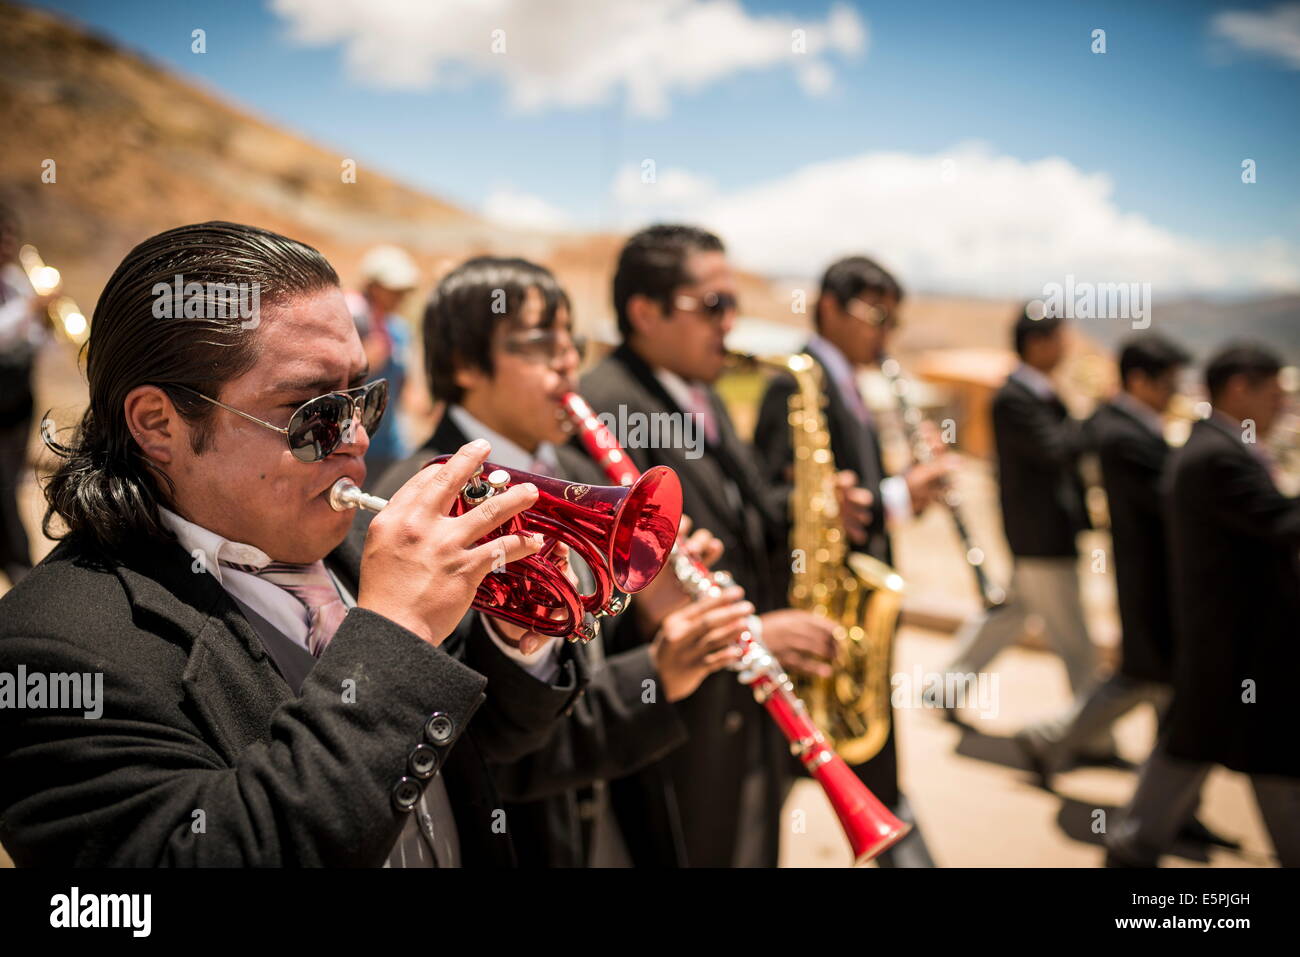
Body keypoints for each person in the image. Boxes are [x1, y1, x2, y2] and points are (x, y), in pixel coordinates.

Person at [0, 221, 594, 867]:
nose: (356, 438)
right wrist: (397, 634)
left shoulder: (364, 541)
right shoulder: (49, 651)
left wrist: (516, 641)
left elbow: (488, 741)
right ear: (157, 423)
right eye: (313, 412)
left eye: (362, 400)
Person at [368, 255, 750, 866]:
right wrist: (654, 676)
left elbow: (597, 636)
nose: (569, 362)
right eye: (540, 344)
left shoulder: (579, 473)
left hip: (614, 809)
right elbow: (481, 728)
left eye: (572, 342)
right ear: (465, 364)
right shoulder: (412, 504)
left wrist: (656, 604)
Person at [581, 224, 838, 867]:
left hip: (737, 697)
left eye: (733, 304)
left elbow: (733, 510)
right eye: (714, 305)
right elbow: (628, 582)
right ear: (646, 311)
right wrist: (756, 633)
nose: (732, 323)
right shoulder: (609, 406)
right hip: (680, 724)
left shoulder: (703, 392)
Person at [752, 255, 946, 867]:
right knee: (836, 761)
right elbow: (771, 497)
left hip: (850, 599)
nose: (886, 332)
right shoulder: (796, 381)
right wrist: (898, 495)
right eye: (876, 315)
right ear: (830, 307)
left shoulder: (850, 383)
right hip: (819, 603)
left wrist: (904, 493)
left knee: (848, 758)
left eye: (894, 319)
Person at [1107, 342, 1300, 867]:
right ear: (1240, 387)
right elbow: (1280, 524)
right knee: (1247, 757)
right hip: (1233, 647)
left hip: (1231, 647)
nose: (1283, 405)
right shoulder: (1217, 454)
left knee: (1204, 753)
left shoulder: (1215, 446)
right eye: (1276, 393)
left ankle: (1131, 849)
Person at [934, 306, 1112, 760]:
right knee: (1074, 640)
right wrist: (1101, 414)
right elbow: (1057, 451)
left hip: (1041, 536)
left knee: (1007, 618)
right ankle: (1089, 733)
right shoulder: (1014, 398)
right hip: (1040, 539)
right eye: (1060, 338)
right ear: (1037, 343)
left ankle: (944, 690)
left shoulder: (1039, 394)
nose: (1068, 348)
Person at [0, 204, 51, 585]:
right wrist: (31, 308)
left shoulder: (17, 282)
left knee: (10, 480)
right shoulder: (23, 295)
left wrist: (44, 320)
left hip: (17, 400)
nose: (7, 245)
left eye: (10, 237)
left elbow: (36, 344)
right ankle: (20, 567)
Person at [348, 245, 419, 484]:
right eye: (393, 290)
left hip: (391, 444)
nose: (400, 297)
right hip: (352, 443)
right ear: (372, 286)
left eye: (403, 291)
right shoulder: (351, 321)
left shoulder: (398, 330)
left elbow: (404, 381)